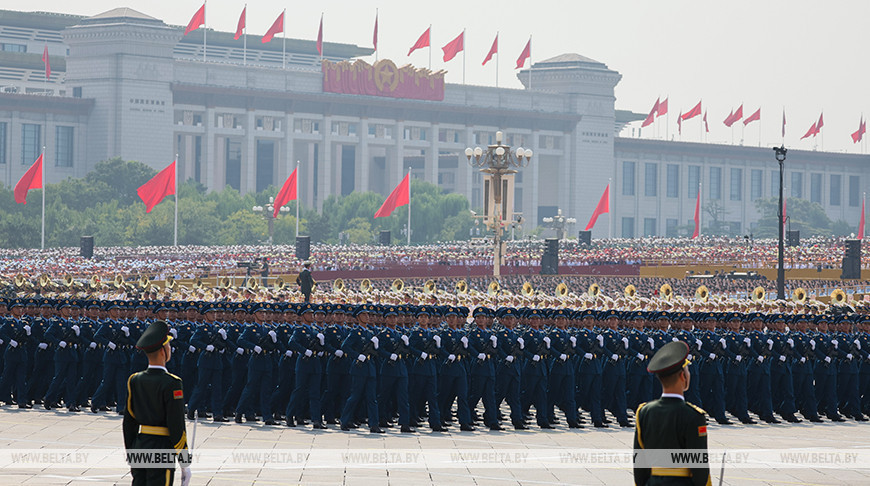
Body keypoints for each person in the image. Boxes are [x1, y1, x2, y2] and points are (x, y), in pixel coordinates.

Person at [122, 320, 191, 486]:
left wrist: (132, 451)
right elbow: (176, 425)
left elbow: (129, 422)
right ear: (163, 351)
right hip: (162, 448)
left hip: (140, 444)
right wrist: (185, 460)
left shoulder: (135, 379)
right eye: (168, 346)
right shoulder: (172, 383)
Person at [633, 340, 711, 486]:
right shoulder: (694, 416)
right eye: (687, 370)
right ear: (683, 377)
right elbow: (699, 468)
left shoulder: (644, 412)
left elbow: (639, 464)